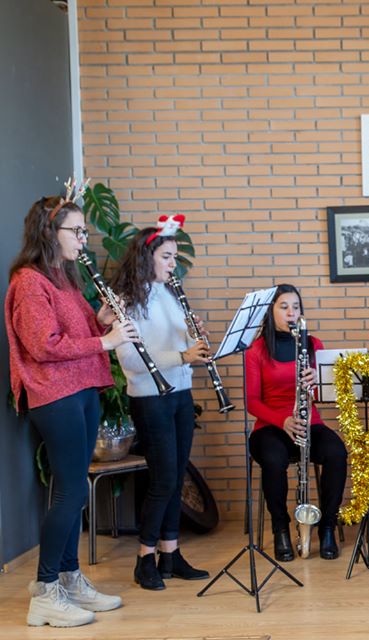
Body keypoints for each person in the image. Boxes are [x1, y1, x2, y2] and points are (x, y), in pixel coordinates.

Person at [5, 189, 137, 627]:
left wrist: (103, 320)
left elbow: (80, 327)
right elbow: (43, 345)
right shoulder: (29, 282)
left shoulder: (62, 277)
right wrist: (107, 341)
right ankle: (45, 591)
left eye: (84, 232)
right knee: (69, 491)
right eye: (76, 231)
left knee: (75, 488)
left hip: (81, 388)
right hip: (54, 393)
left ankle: (69, 577)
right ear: (49, 231)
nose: (83, 240)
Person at [110, 217, 210, 590]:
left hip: (180, 393)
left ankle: (170, 554)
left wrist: (192, 340)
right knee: (163, 479)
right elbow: (132, 361)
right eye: (166, 257)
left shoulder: (170, 293)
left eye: (174, 257)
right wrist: (182, 355)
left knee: (176, 474)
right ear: (146, 256)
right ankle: (144, 559)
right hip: (150, 398)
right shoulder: (126, 301)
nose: (173, 264)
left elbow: (177, 346)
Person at [245, 284, 348, 561]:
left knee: (337, 453)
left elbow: (324, 395)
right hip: (271, 427)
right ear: (271, 311)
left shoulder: (313, 344)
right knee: (274, 460)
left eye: (296, 307)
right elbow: (251, 402)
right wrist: (283, 420)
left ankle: (327, 526)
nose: (291, 313)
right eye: (284, 307)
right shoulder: (256, 350)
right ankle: (281, 528)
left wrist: (317, 382)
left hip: (309, 422)